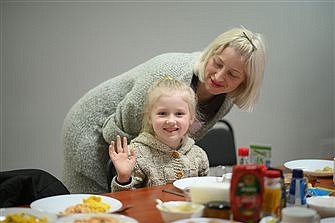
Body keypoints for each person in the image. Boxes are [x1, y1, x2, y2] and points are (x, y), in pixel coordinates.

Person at [62, 26, 267, 193]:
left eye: (233, 74)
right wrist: (125, 171)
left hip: (124, 135)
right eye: (218, 63)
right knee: (94, 204)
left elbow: (183, 138)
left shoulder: (226, 100)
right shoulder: (169, 73)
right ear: (211, 53)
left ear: (244, 83)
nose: (219, 76)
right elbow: (120, 129)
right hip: (94, 127)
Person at [109, 78, 209, 191]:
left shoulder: (198, 155)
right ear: (149, 117)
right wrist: (123, 177)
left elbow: (205, 194)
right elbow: (125, 200)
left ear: (191, 118)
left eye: (179, 114)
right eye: (162, 113)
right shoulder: (135, 154)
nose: (171, 121)